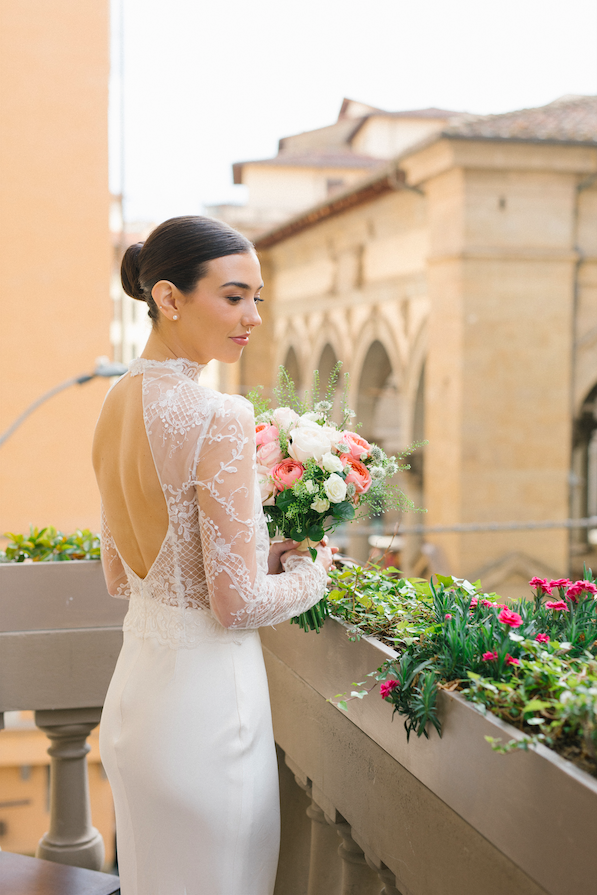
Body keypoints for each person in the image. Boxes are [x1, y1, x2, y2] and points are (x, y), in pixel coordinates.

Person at [92, 216, 334, 895]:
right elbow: (238, 604)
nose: (252, 316)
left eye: (257, 297)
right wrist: (313, 569)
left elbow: (120, 574)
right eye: (233, 296)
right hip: (206, 717)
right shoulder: (216, 414)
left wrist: (251, 550)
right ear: (168, 298)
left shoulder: (113, 401)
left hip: (136, 707)